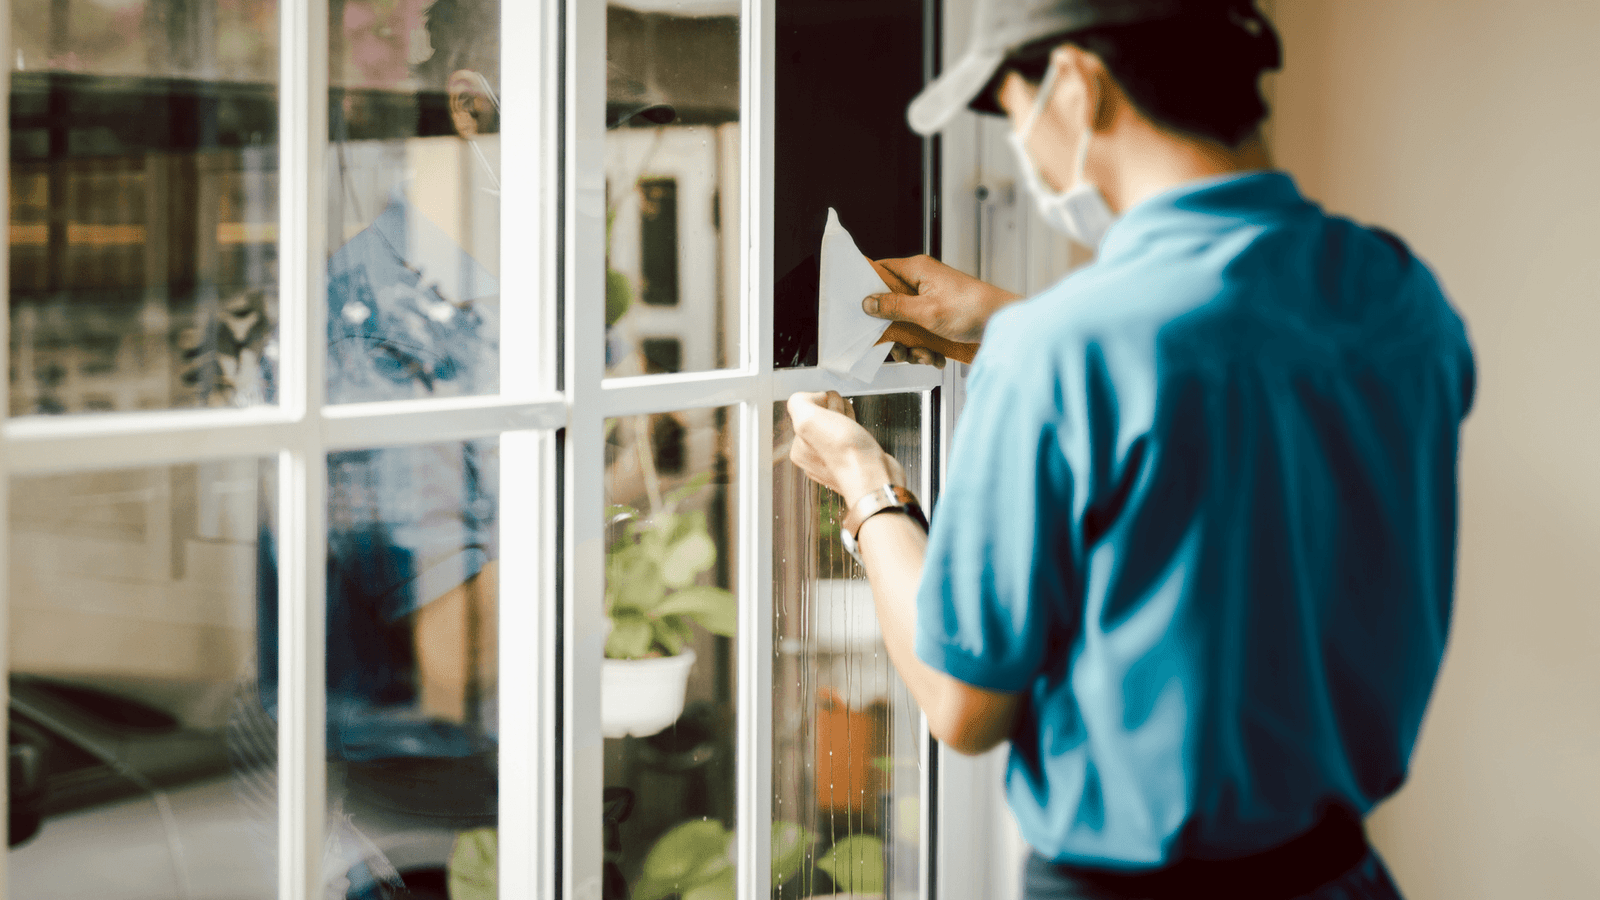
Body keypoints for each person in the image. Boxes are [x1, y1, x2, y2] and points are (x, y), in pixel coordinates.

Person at [787, 2, 1475, 898]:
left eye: (1011, 108)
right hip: (1342, 873)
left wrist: (868, 487)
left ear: (1077, 83)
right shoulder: (1396, 291)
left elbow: (964, 704)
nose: (1024, 153)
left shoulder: (1064, 350)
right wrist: (1013, 327)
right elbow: (1241, 388)